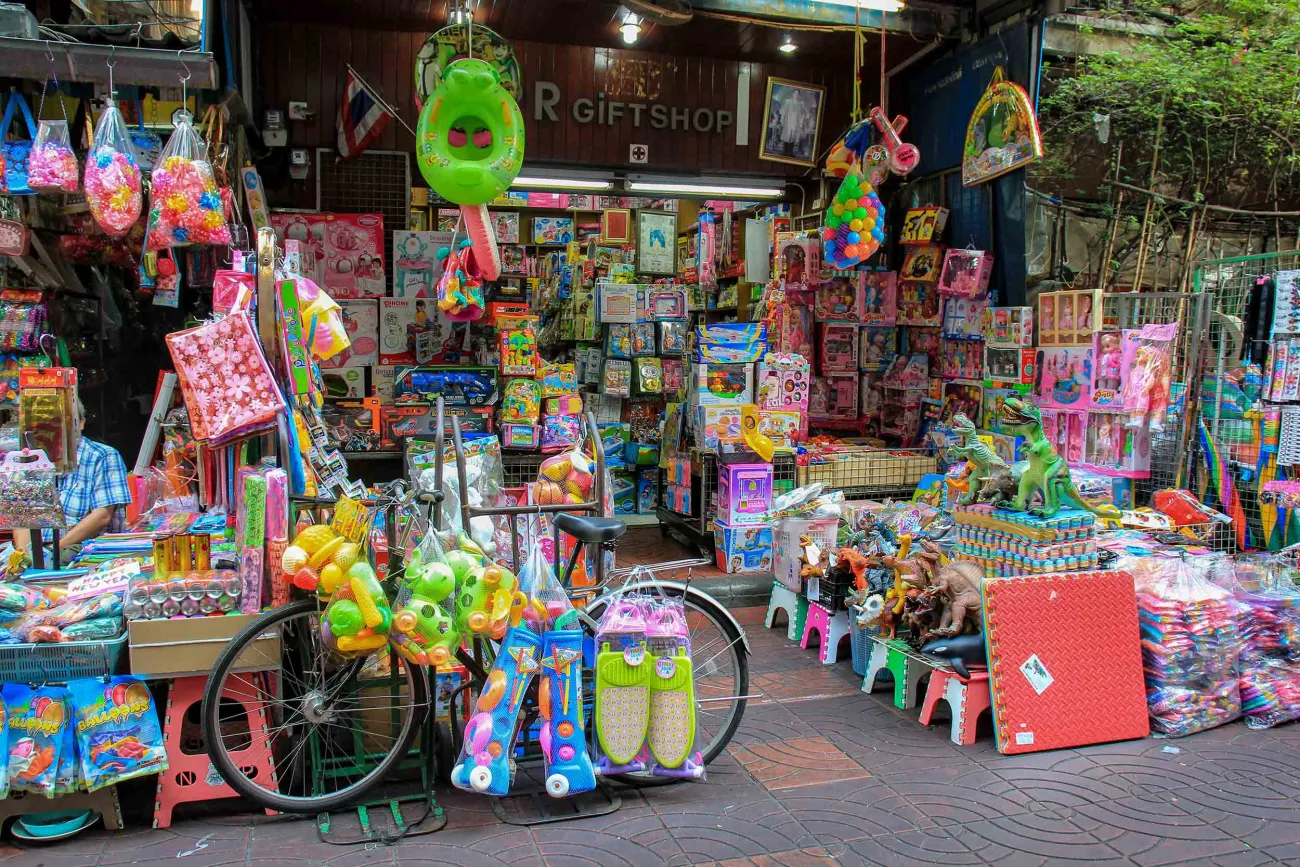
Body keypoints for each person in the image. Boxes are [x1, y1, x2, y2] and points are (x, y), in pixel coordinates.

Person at [13, 398, 130, 560]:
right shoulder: (34, 459)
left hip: (81, 545)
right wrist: (23, 556)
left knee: (61, 559)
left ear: (81, 423)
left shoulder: (103, 455)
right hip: (39, 549)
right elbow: (24, 515)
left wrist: (52, 550)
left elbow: (102, 516)